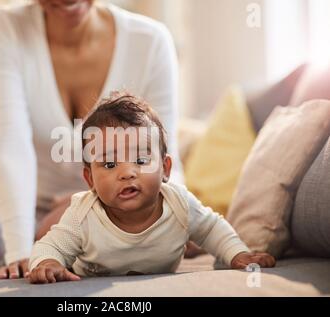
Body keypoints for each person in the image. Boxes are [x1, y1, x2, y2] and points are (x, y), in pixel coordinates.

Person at [0, 0, 184, 294]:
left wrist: (172, 220)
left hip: (121, 206)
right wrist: (21, 254)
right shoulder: (4, 28)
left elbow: (162, 151)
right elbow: (11, 143)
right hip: (35, 210)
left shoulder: (150, 40)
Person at [28, 94, 275, 283]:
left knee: (198, 232)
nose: (127, 172)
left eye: (141, 160)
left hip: (171, 230)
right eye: (110, 163)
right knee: (52, 226)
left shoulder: (178, 202)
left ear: (165, 168)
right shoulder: (83, 215)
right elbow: (50, 246)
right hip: (87, 264)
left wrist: (237, 254)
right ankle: (59, 203)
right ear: (90, 178)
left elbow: (212, 228)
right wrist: (48, 263)